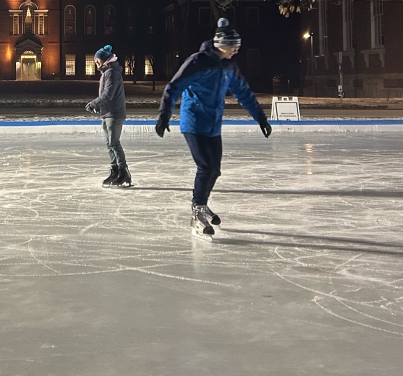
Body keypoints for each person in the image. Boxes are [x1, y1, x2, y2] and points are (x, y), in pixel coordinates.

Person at [155, 17, 272, 236]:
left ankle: (202, 203)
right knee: (206, 167)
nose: (236, 51)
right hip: (193, 122)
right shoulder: (197, 62)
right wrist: (164, 116)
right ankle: (196, 211)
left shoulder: (229, 66)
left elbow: (244, 93)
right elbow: (173, 88)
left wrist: (261, 118)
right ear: (221, 44)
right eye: (233, 47)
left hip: (213, 125)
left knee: (215, 170)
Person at [86, 44, 130, 187]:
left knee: (113, 143)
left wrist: (94, 103)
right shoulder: (107, 73)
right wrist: (99, 107)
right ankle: (115, 171)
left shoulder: (112, 73)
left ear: (105, 60)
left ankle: (123, 172)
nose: (96, 64)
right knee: (109, 143)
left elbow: (108, 94)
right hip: (107, 113)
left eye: (97, 61)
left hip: (115, 113)